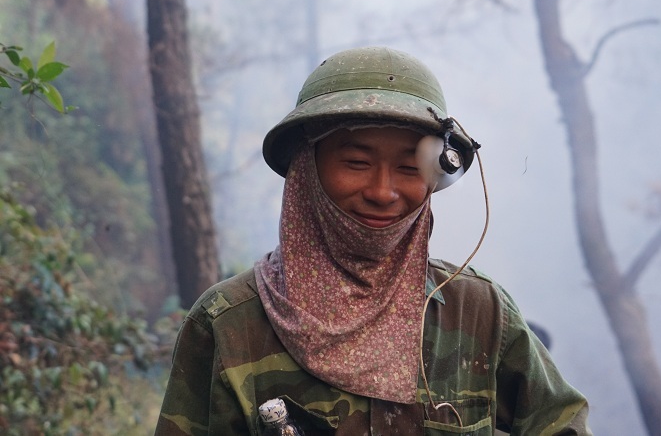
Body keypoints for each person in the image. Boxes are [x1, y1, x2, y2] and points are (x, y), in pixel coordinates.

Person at [155, 46, 592, 435]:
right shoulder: (230, 325)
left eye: (408, 168)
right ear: (306, 166)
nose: (383, 192)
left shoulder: (480, 312)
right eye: (356, 162)